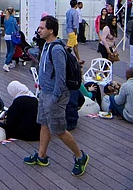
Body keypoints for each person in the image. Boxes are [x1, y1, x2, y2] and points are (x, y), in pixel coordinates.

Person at [22, 15, 89, 177]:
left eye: (42, 28)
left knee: (59, 130)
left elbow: (60, 77)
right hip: (45, 93)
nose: (39, 30)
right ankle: (41, 156)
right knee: (44, 124)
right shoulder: (46, 45)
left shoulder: (57, 50)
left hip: (55, 95)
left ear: (51, 31)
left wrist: (54, 98)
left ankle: (80, 156)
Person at [65, 0, 83, 65]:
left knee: (75, 45)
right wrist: (76, 32)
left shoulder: (68, 12)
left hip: (68, 29)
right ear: (76, 5)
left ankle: (79, 59)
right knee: (69, 46)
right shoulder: (75, 12)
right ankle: (62, 55)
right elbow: (75, 24)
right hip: (72, 31)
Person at [3, 7, 19, 72]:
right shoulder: (13, 19)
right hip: (12, 36)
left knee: (8, 50)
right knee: (12, 51)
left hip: (6, 35)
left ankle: (9, 62)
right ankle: (6, 64)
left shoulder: (5, 18)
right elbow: (16, 27)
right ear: (12, 12)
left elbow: (5, 27)